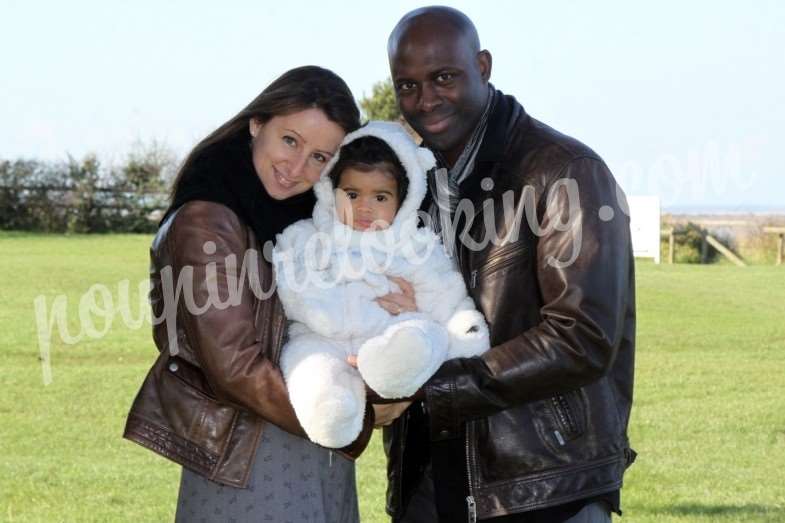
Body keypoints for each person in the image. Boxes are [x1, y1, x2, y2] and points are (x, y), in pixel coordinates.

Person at [382, 7, 637, 523]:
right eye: (407, 85)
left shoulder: (565, 171)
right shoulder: (412, 183)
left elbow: (582, 336)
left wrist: (436, 389)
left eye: (444, 77)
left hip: (546, 485)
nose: (425, 100)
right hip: (430, 482)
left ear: (483, 65)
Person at [123, 66, 375, 523]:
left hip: (312, 438)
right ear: (257, 124)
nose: (297, 168)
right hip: (252, 455)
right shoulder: (208, 219)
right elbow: (234, 368)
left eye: (320, 157)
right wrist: (352, 424)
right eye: (290, 140)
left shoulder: (305, 220)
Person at [272, 121, 490, 449]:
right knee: (308, 362)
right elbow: (288, 288)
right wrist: (326, 313)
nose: (364, 207)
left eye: (380, 196)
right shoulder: (307, 238)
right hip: (323, 341)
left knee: (423, 333)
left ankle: (393, 366)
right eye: (352, 194)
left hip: (390, 335)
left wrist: (437, 323)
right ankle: (328, 409)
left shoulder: (417, 248)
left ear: (404, 200)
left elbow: (449, 302)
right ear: (331, 190)